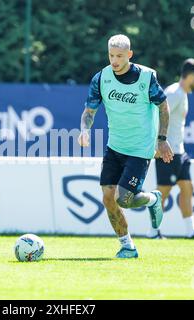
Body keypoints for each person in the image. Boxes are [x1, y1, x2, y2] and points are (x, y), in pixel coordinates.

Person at [78, 34, 173, 259]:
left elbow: (163, 107)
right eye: (111, 55)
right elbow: (89, 112)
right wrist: (84, 129)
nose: (114, 61)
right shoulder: (101, 78)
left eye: (120, 56)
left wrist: (162, 139)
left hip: (140, 149)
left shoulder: (146, 78)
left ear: (129, 55)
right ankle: (127, 246)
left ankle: (152, 199)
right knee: (108, 198)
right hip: (114, 147)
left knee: (124, 199)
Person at [147, 58, 194, 240]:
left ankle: (191, 231)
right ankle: (153, 232)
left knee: (187, 188)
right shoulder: (174, 93)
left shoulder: (182, 93)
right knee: (163, 193)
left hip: (179, 152)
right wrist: (158, 146)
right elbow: (157, 117)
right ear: (191, 76)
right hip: (168, 153)